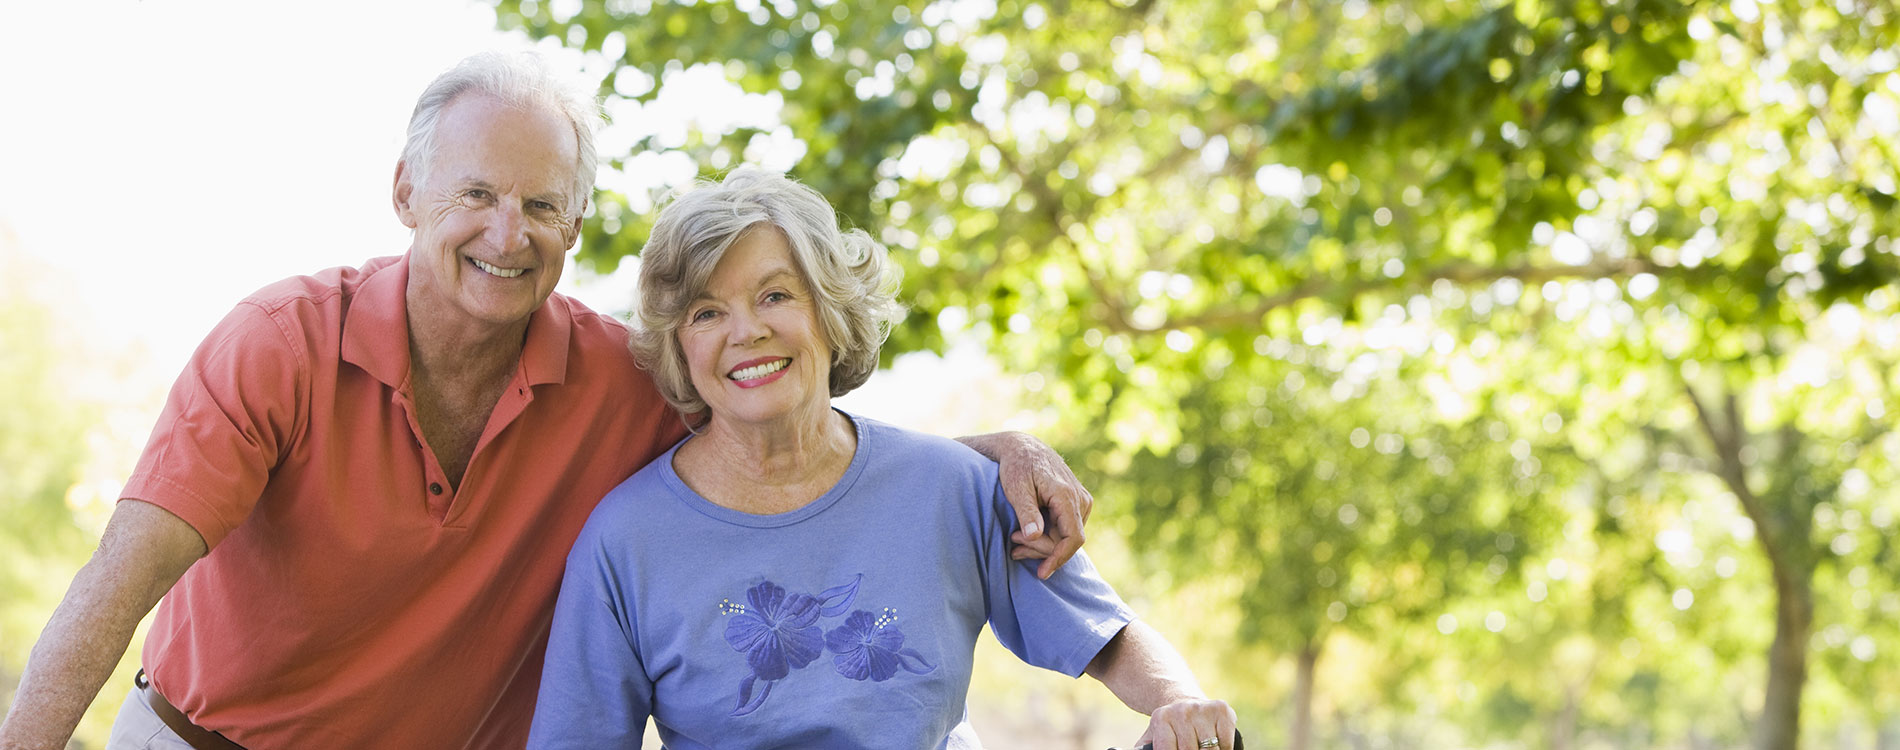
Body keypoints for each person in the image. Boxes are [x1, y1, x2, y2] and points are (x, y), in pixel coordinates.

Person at [0, 52, 1095, 750]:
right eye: (474, 194)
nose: (504, 233)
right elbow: (116, 585)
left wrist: (986, 452)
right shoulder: (281, 346)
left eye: (540, 204)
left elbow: (792, 450)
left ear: (575, 225)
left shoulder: (624, 382)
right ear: (406, 193)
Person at [526, 169, 1240, 750]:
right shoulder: (626, 542)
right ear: (681, 346)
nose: (746, 332)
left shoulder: (954, 490)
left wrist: (1180, 704)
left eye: (776, 294)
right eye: (706, 313)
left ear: (831, 315)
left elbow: (1107, 637)